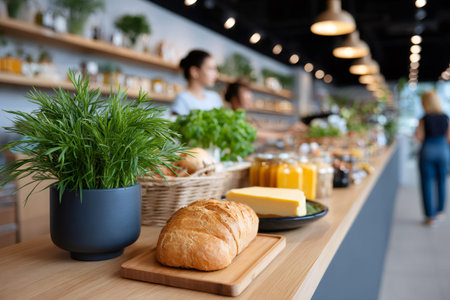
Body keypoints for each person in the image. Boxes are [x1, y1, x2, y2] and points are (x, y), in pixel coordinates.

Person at [224, 81, 307, 141]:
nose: (251, 95)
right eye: (246, 92)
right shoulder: (231, 118)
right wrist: (284, 134)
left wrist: (287, 131)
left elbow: (259, 133)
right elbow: (255, 134)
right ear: (234, 97)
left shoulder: (246, 118)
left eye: (250, 92)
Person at [414, 90, 450, 226]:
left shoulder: (424, 118)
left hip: (428, 149)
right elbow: (449, 137)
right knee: (442, 181)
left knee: (427, 182)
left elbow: (419, 136)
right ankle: (440, 211)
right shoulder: (445, 117)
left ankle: (430, 216)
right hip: (443, 150)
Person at [171, 49, 222, 115]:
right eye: (211, 69)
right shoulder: (182, 99)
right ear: (194, 72)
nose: (217, 74)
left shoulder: (215, 97)